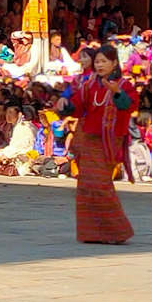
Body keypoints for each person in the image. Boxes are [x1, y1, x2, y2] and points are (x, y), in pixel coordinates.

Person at [56, 44, 136, 245]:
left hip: (109, 141)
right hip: (88, 139)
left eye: (104, 61)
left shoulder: (125, 85)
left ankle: (116, 232)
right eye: (97, 61)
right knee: (86, 186)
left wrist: (118, 93)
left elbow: (129, 106)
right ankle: (92, 233)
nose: (99, 65)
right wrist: (65, 106)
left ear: (114, 63)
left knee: (101, 185)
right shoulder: (89, 85)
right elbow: (77, 106)